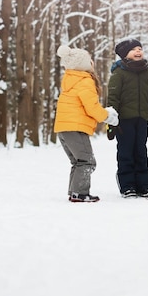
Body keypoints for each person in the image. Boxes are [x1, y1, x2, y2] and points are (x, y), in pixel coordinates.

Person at [54, 45, 119, 203]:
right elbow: (92, 108)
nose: (92, 61)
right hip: (75, 128)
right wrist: (109, 117)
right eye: (89, 59)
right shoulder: (84, 81)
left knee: (77, 162)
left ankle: (74, 192)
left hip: (63, 128)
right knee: (87, 161)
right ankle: (80, 193)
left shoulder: (70, 80)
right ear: (82, 63)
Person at [107, 38, 148, 198]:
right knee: (126, 152)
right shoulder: (118, 73)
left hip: (142, 121)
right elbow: (112, 99)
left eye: (140, 48)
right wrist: (111, 122)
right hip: (123, 122)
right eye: (134, 49)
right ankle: (127, 185)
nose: (138, 51)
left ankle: (143, 186)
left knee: (141, 152)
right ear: (124, 54)